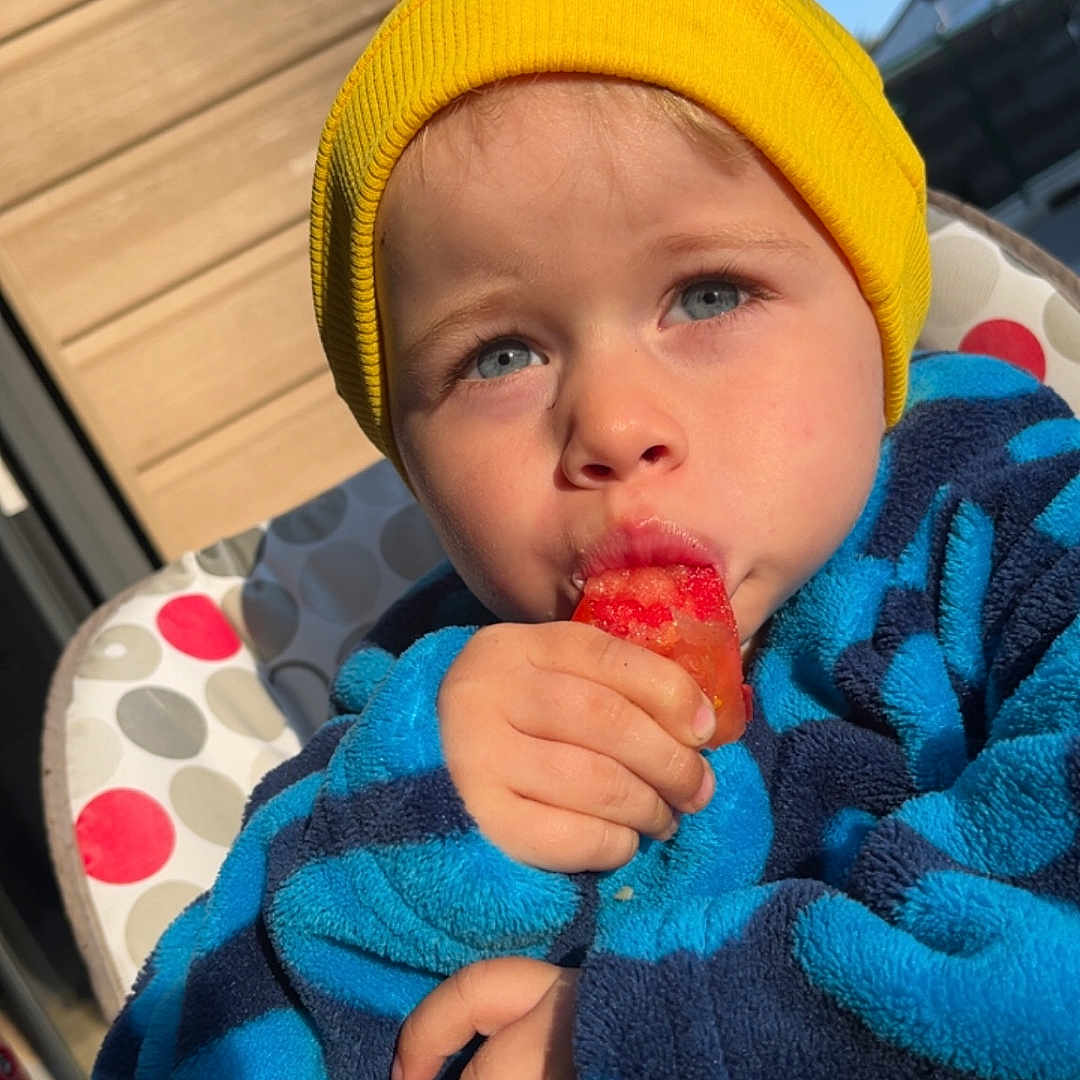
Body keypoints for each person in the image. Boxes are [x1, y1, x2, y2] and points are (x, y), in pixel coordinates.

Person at [94, 0, 1080, 1077]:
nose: (611, 425)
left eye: (708, 294)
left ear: (876, 320)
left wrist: (656, 1038)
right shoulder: (412, 741)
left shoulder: (1009, 522)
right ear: (416, 472)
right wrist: (397, 872)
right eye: (499, 358)